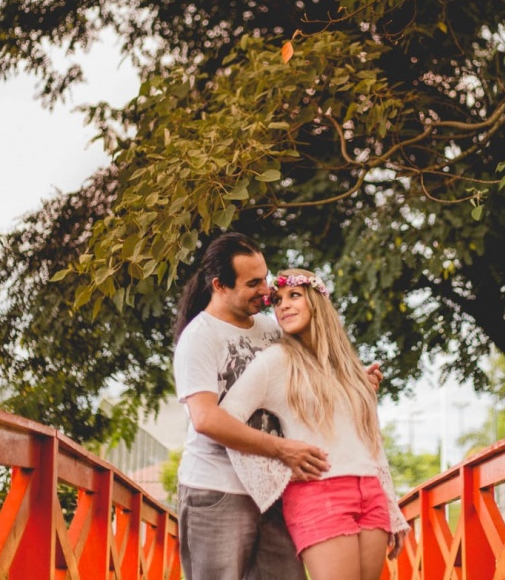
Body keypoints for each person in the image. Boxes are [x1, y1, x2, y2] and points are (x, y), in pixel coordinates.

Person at [219, 269, 409, 580]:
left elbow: (370, 441)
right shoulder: (277, 360)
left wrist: (393, 508)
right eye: (277, 301)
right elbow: (225, 419)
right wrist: (279, 468)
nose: (283, 305)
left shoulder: (349, 368)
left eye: (294, 295)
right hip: (319, 492)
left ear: (318, 301)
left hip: (370, 490)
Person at [173, 232, 329, 580]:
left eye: (265, 277)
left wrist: (355, 380)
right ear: (220, 285)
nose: (266, 290)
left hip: (273, 490)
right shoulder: (200, 337)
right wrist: (282, 449)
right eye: (253, 283)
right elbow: (206, 419)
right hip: (217, 490)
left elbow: (306, 381)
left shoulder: (270, 329)